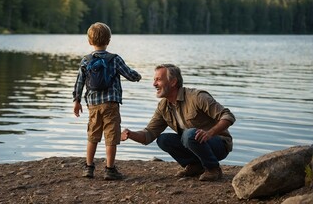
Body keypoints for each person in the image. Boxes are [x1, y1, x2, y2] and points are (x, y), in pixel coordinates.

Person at [121, 64, 235, 181]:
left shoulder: (197, 97)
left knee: (189, 134)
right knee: (163, 140)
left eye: (159, 80)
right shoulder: (163, 106)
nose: (154, 84)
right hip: (192, 141)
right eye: (154, 80)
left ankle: (213, 169)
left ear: (173, 82)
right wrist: (130, 134)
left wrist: (210, 133)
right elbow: (149, 134)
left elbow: (228, 116)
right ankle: (195, 166)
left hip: (218, 144)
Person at [73, 22, 141, 180]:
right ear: (108, 41)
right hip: (111, 104)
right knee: (111, 136)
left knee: (93, 135)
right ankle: (109, 169)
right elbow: (129, 74)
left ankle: (89, 167)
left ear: (90, 41)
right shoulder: (115, 59)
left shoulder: (85, 60)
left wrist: (76, 101)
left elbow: (79, 82)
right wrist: (138, 76)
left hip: (93, 105)